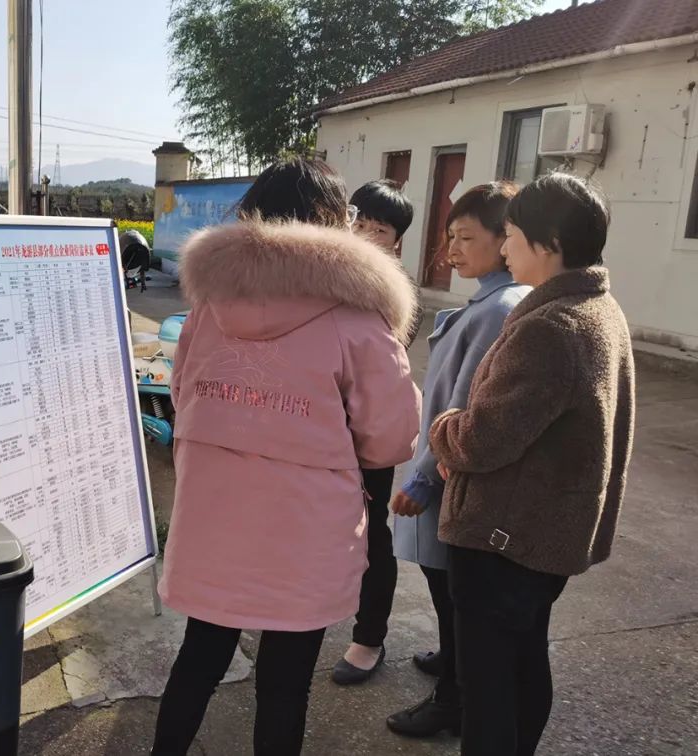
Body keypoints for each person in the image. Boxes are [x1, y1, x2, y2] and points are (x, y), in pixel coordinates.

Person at [151, 157, 421, 756]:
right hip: (304, 528)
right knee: (285, 683)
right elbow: (391, 435)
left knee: (199, 657)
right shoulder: (358, 318)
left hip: (212, 514)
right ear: (333, 222)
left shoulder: (207, 307)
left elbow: (182, 395)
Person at [431, 173, 634, 755]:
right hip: (545, 534)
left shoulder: (551, 326)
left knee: (491, 686)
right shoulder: (598, 306)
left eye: (512, 235)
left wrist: (446, 428)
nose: (505, 248)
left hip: (505, 539)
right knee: (523, 664)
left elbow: (482, 440)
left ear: (547, 244)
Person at [382, 182, 529, 737]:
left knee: (457, 596)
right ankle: (452, 661)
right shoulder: (488, 299)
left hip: (449, 475)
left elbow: (465, 403)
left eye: (467, 238)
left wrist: (420, 481)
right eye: (449, 238)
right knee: (449, 593)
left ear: (507, 239)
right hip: (444, 467)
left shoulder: (501, 307)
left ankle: (453, 701)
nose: (452, 251)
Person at [330, 178, 418, 685]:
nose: (364, 235)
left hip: (368, 437)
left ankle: (369, 638)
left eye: (378, 229)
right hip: (318, 427)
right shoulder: (325, 273)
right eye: (357, 223)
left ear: (396, 240)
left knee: (370, 537)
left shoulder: (398, 294)